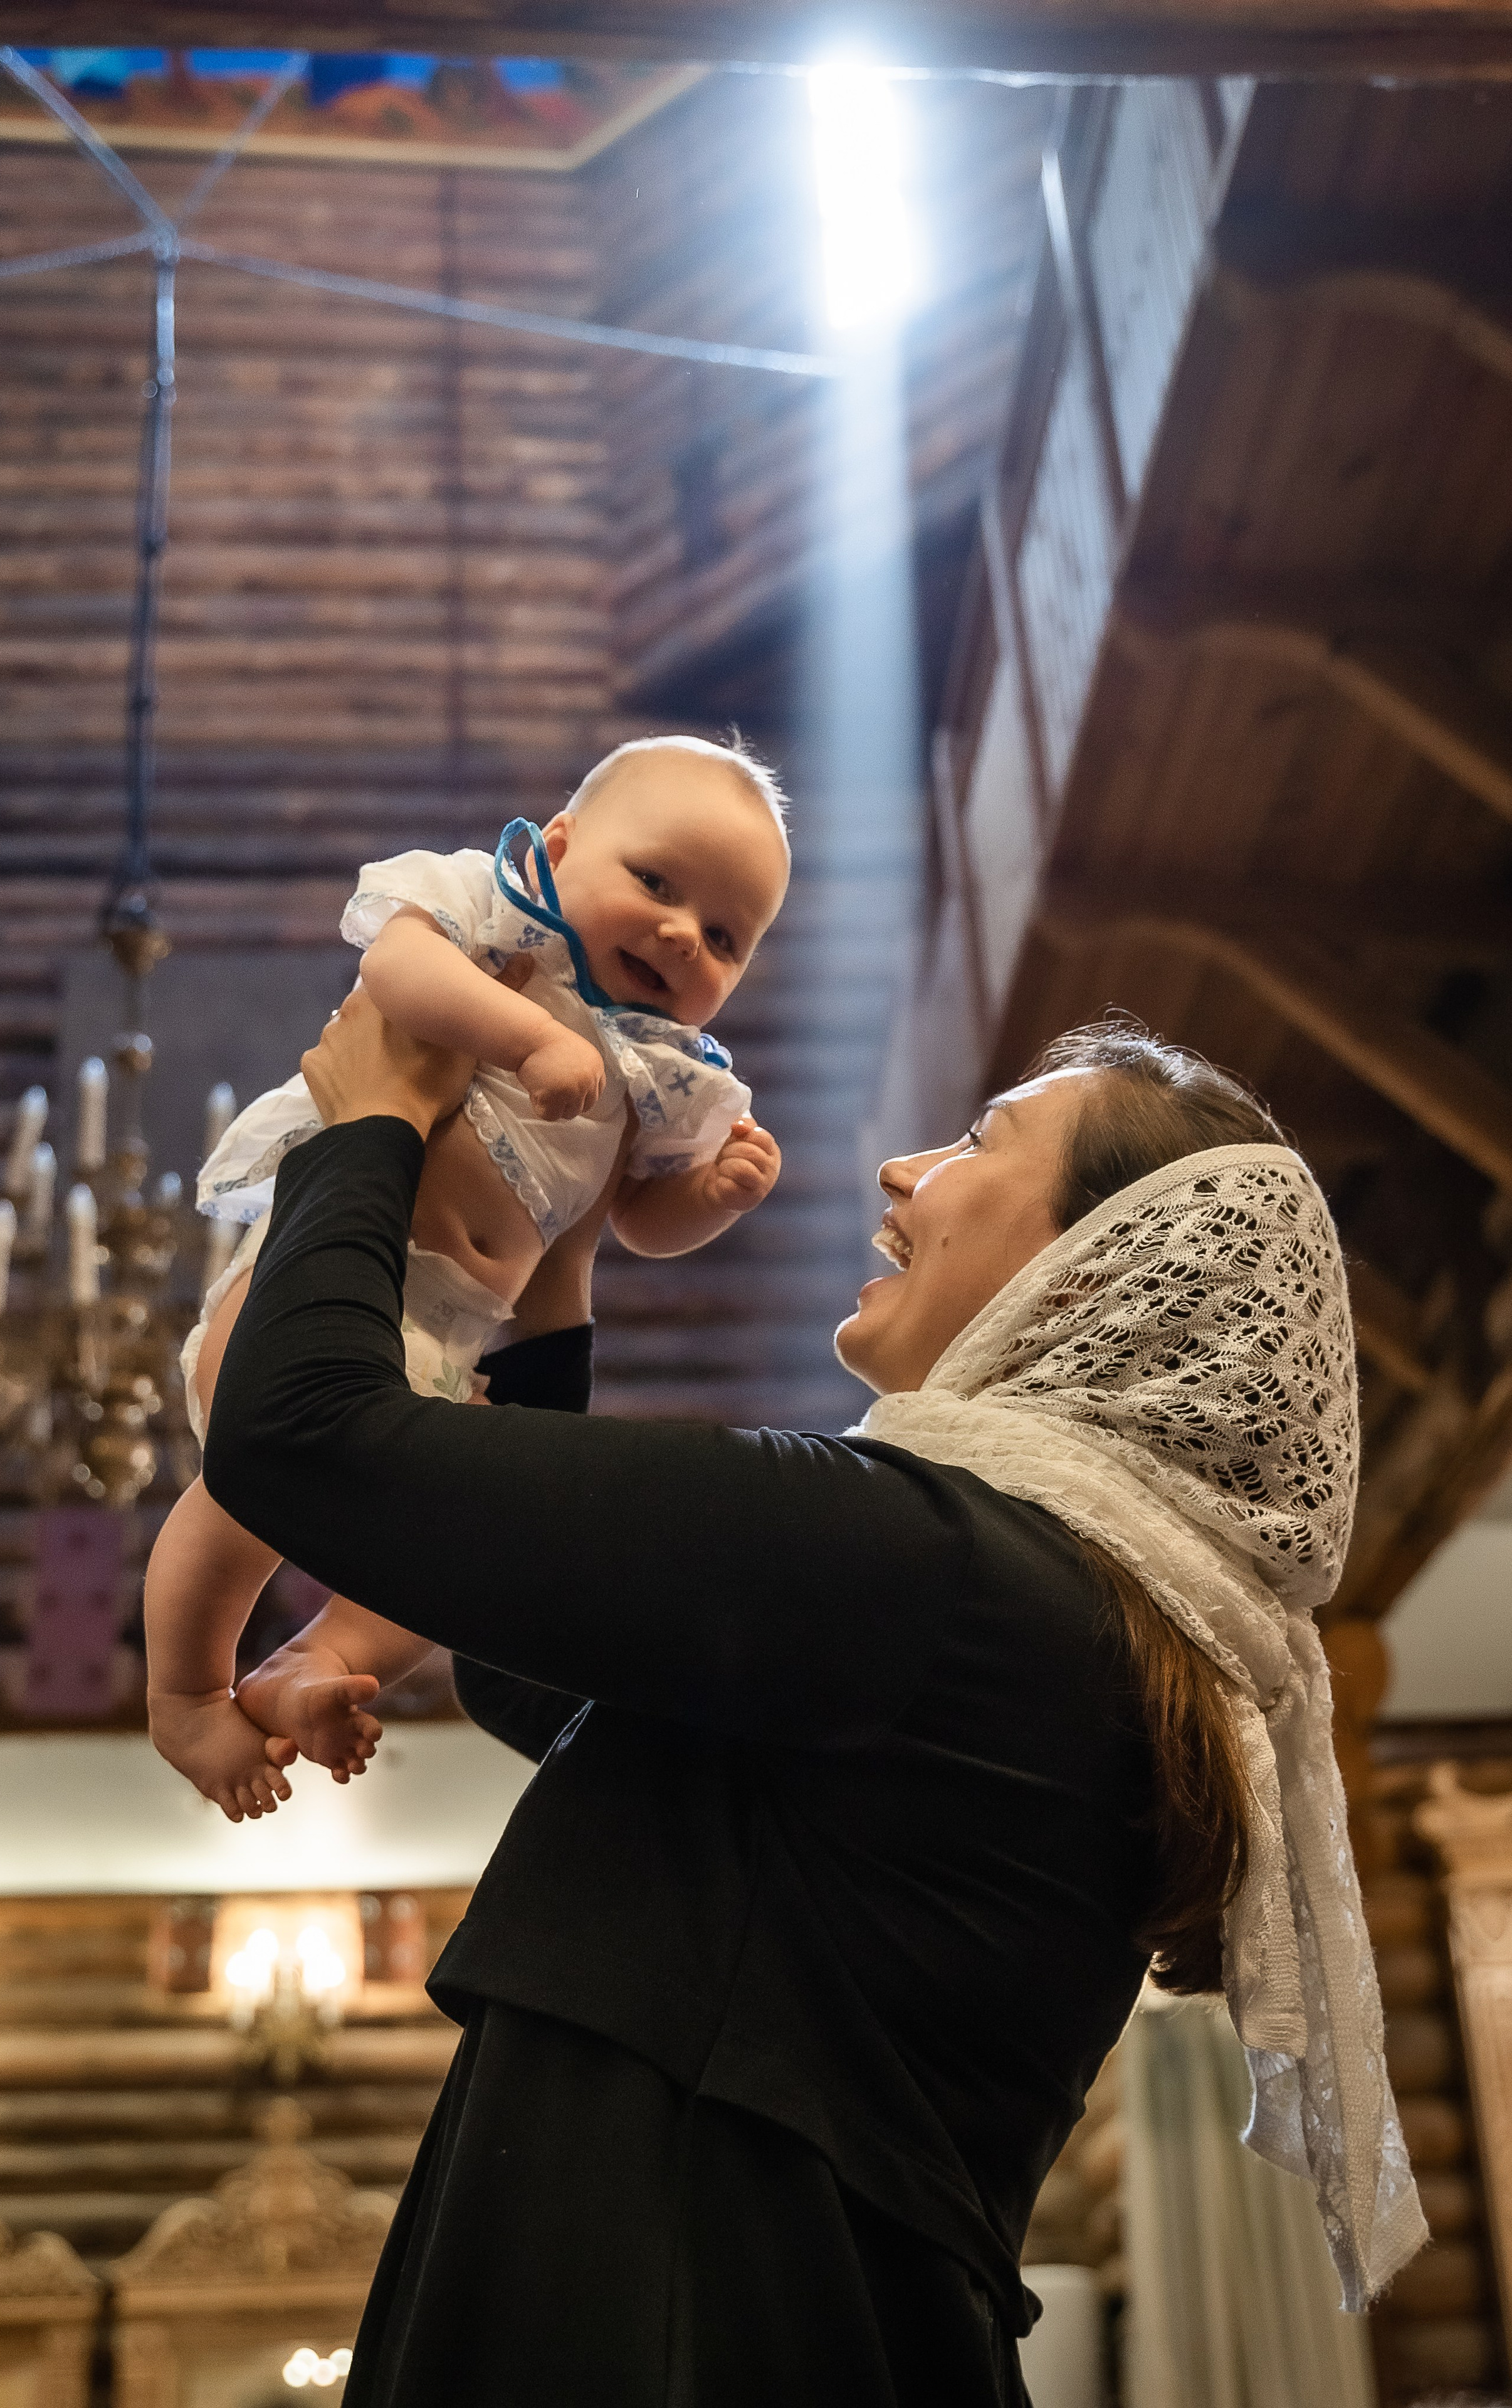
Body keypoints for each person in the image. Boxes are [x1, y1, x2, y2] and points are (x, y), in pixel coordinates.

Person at [201, 1002, 1425, 2406]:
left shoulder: (928, 1562)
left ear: (1087, 1279)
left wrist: (369, 1108)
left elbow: (298, 1431)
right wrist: (561, 1264)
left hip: (681, 2330)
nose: (905, 1167)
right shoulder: (1027, 1606)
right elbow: (540, 1661)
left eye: (979, 1140)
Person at [144, 734, 790, 1818]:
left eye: (724, 936)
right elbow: (395, 971)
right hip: (336, 1274)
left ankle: (315, 1659)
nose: (683, 934)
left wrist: (711, 1199)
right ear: (563, 843)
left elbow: (632, 1218)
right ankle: (185, 1690)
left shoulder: (663, 1073)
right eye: (656, 883)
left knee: (448, 1554)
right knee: (251, 1492)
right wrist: (524, 1033)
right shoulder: (493, 908)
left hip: (449, 1341)